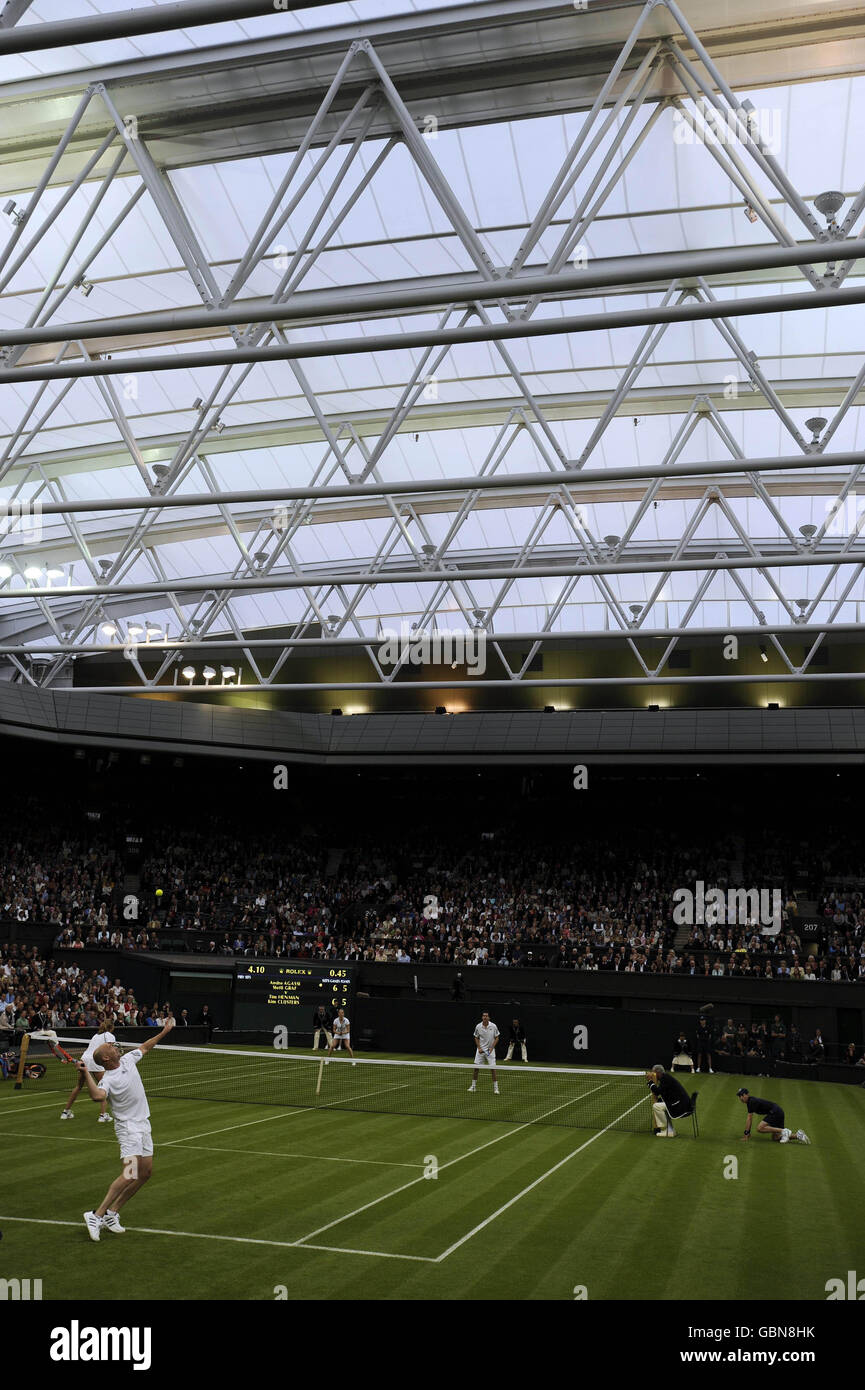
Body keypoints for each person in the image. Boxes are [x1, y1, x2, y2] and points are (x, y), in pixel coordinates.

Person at [79, 1017, 176, 1240]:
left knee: (145, 1173)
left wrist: (164, 1032)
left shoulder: (128, 1059)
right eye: (110, 1047)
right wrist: (86, 1073)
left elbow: (145, 1046)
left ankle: (113, 1213)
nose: (115, 1046)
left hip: (144, 1124)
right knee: (130, 1173)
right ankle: (96, 1214)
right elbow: (97, 1096)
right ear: (106, 1058)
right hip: (128, 1128)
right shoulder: (108, 1079)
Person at [60, 1016, 116, 1124]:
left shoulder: (96, 1035)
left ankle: (65, 1112)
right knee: (104, 1088)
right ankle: (103, 1115)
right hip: (96, 1060)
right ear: (111, 1027)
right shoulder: (110, 1035)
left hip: (84, 1059)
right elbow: (110, 1051)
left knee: (79, 1086)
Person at [737, 1087, 810, 1144]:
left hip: (775, 1112)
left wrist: (746, 1134)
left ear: (747, 1095)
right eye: (739, 1096)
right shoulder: (750, 1102)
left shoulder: (751, 1102)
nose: (740, 1098)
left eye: (742, 1095)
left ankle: (784, 1131)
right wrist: (748, 1133)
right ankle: (798, 1135)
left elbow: (749, 1119)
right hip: (778, 1111)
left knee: (760, 1128)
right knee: (776, 1138)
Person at [646, 1063, 692, 1138]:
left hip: (681, 1106)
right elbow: (664, 1093)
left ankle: (667, 1131)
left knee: (656, 1106)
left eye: (653, 1073)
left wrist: (650, 1081)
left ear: (658, 1072)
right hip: (682, 1103)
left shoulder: (665, 1079)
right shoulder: (665, 1077)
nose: (653, 1075)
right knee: (660, 1104)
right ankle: (671, 1130)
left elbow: (657, 1092)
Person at [468, 1011, 499, 1094]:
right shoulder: (478, 1026)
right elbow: (476, 1037)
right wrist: (479, 1048)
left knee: (493, 1069)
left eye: (486, 1016)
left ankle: (496, 1088)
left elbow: (497, 1038)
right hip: (480, 1050)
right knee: (476, 1068)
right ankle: (473, 1086)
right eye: (483, 1016)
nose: (485, 1017)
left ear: (489, 1018)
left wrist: (492, 1048)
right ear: (482, 1017)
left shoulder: (493, 1026)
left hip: (490, 1051)